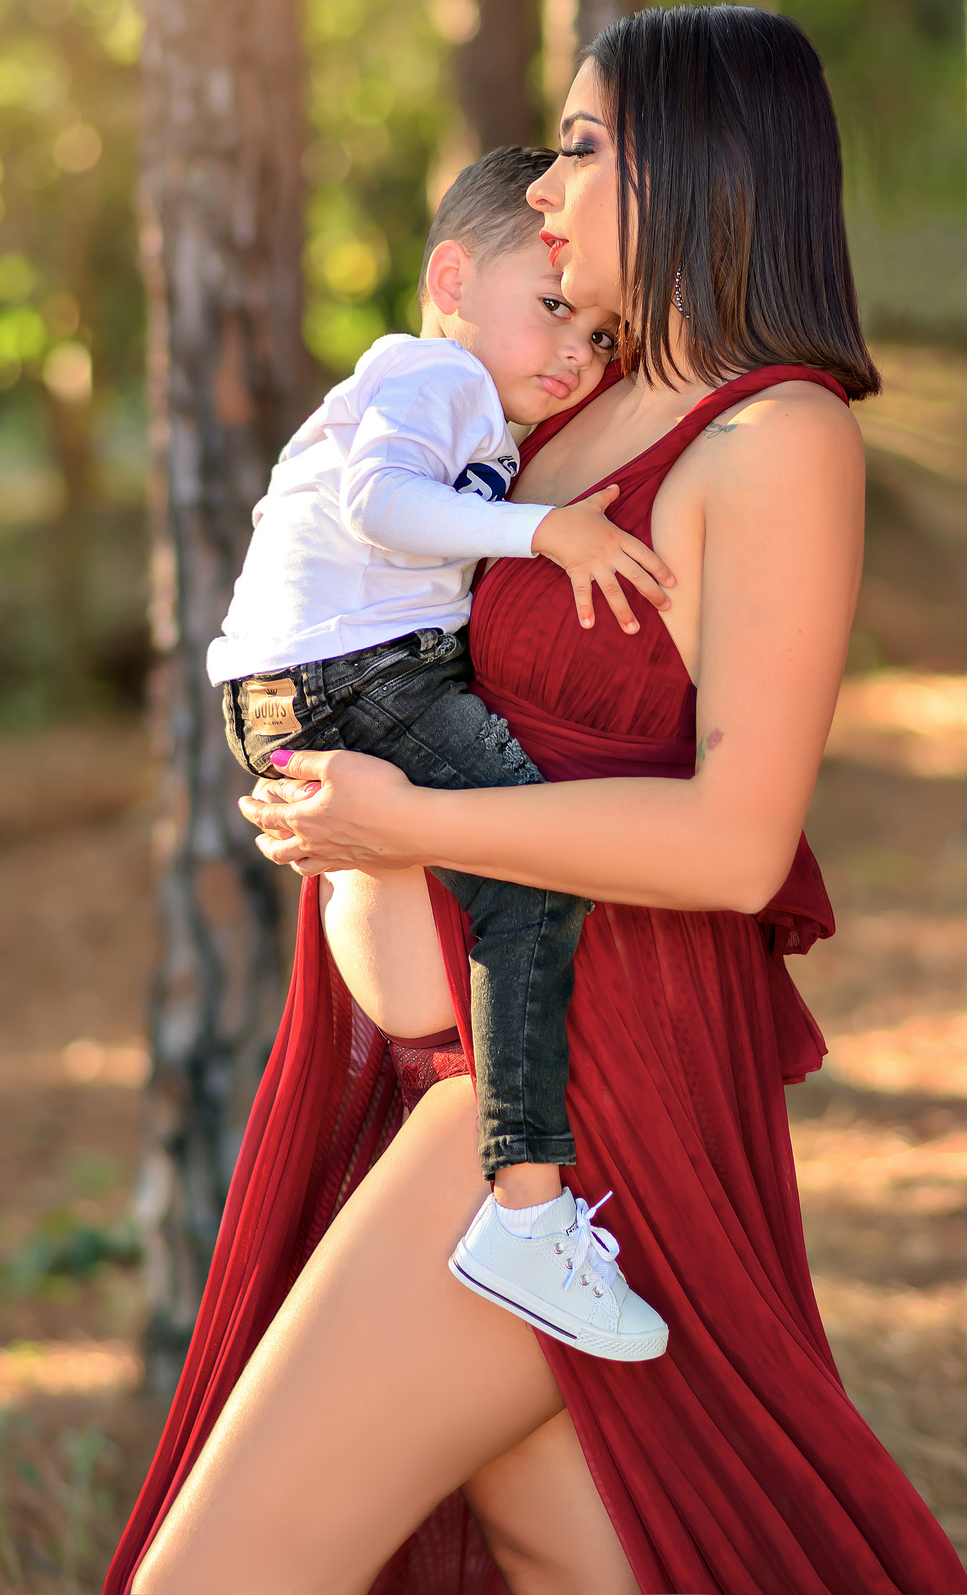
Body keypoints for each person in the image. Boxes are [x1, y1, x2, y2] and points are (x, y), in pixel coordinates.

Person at [109, 4, 967, 1595]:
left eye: (581, 148)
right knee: (573, 1555)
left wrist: (407, 828)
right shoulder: (559, 412)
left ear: (701, 166)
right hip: (452, 1064)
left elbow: (736, 844)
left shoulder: (774, 438)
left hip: (576, 1095)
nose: (546, 189)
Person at [208, 144, 670, 1360]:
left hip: (317, 679)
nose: (577, 353)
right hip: (348, 673)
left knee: (499, 873)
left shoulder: (467, 398)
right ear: (453, 280)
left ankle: (479, 1179)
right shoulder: (432, 373)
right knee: (534, 870)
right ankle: (526, 1208)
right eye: (554, 308)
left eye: (600, 338)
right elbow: (382, 507)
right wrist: (545, 533)